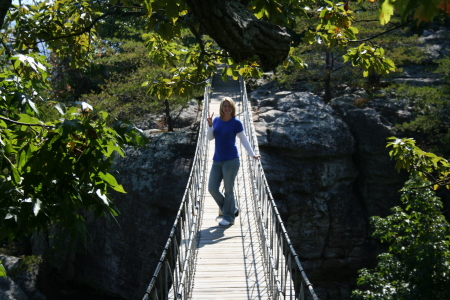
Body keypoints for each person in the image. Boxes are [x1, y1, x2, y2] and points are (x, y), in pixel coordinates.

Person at [207, 97, 260, 226]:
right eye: (225, 106)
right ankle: (231, 209)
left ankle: (229, 217)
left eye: (229, 106)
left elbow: (243, 139)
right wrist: (210, 126)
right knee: (212, 188)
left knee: (228, 190)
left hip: (231, 160)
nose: (227, 108)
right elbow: (210, 138)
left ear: (232, 108)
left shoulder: (236, 122)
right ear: (221, 107)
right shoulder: (216, 120)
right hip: (217, 159)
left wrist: (252, 154)